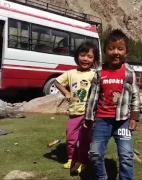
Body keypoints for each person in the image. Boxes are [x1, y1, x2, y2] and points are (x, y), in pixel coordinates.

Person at [84, 29, 141, 180]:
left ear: (126, 52)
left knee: (127, 156)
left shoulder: (129, 72)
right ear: (105, 51)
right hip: (101, 120)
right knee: (95, 154)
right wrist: (88, 117)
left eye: (120, 49)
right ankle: (102, 177)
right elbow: (92, 97)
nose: (116, 52)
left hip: (122, 122)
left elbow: (135, 96)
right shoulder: (99, 72)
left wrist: (134, 117)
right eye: (111, 48)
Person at [54, 41, 99, 174]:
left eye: (90, 57)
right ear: (77, 56)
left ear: (94, 60)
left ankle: (82, 161)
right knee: (71, 138)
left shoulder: (95, 73)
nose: (85, 59)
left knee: (85, 140)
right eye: (83, 55)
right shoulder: (70, 73)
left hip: (88, 114)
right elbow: (57, 82)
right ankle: (70, 159)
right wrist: (66, 92)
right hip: (74, 113)